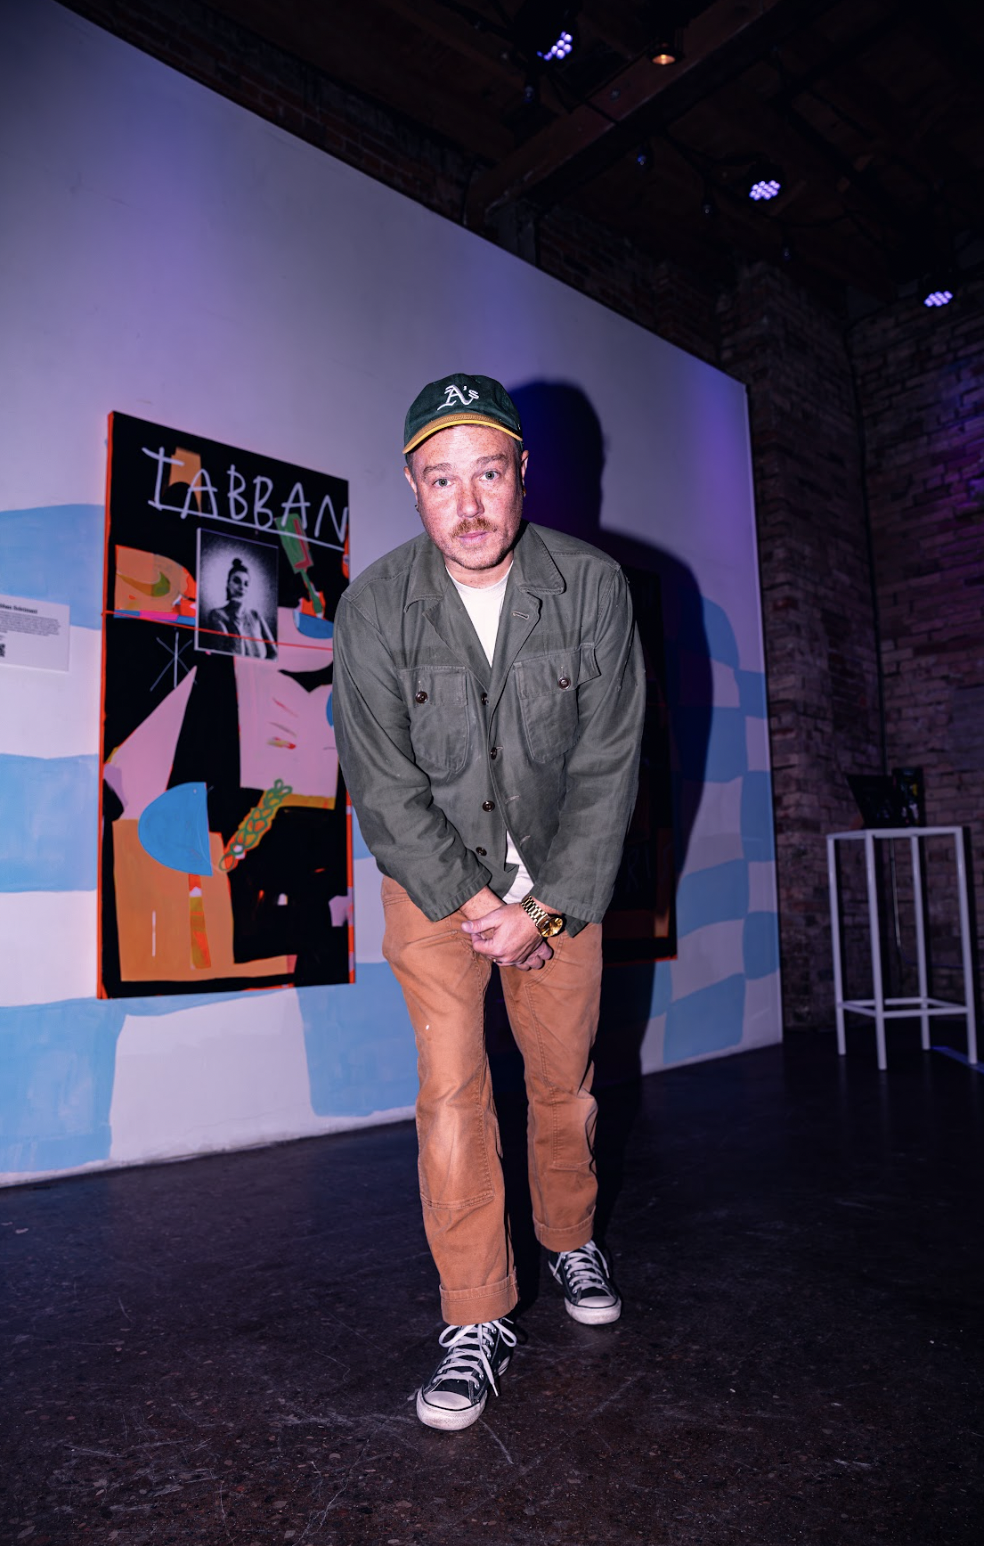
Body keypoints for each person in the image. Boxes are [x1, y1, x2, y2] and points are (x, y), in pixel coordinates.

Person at [332, 373, 646, 1430]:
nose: (467, 506)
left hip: (561, 880)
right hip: (434, 886)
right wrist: (474, 902)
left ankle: (570, 1238)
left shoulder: (592, 587)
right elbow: (383, 784)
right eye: (440, 480)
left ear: (522, 473)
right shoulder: (374, 606)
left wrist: (543, 911)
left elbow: (607, 769)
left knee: (561, 1084)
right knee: (452, 1092)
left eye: (488, 474)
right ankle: (474, 1313)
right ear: (412, 487)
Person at [205, 556, 277, 658]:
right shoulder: (217, 615)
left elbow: (274, 653)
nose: (242, 587)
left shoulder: (255, 615)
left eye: (246, 584)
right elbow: (231, 655)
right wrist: (237, 616)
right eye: (236, 581)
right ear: (228, 584)